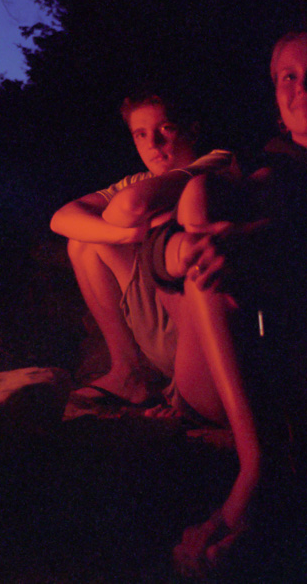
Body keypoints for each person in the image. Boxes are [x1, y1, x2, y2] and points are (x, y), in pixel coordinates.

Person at [151, 30, 307, 577]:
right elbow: (155, 259)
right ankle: (255, 466)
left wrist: (259, 238)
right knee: (199, 200)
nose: (303, 87)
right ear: (275, 93)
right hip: (225, 375)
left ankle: (282, 507)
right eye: (290, 76)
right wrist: (186, 249)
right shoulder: (251, 170)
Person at [50, 92, 237, 406]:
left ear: (191, 130)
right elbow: (61, 218)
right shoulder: (140, 179)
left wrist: (127, 223)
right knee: (82, 240)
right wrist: (131, 235)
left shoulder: (216, 162)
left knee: (97, 230)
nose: (152, 142)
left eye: (165, 129)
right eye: (140, 134)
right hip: (158, 323)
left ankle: (181, 387)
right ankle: (129, 372)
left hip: (203, 334)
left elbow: (133, 205)